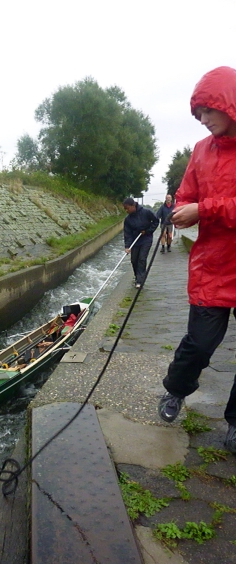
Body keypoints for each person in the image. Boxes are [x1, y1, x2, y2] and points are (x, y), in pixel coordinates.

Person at [157, 66, 236, 454]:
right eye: (198, 113)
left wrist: (203, 210)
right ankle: (175, 389)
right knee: (200, 345)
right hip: (213, 266)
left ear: (229, 105)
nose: (203, 120)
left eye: (208, 110)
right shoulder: (201, 151)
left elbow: (203, 206)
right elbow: (187, 193)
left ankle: (235, 421)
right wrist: (174, 207)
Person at [123, 197, 159, 288]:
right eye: (125, 209)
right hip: (135, 241)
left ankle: (140, 280)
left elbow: (155, 221)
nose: (126, 211)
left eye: (127, 208)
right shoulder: (128, 220)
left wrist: (147, 231)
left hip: (146, 239)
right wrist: (127, 246)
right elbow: (127, 234)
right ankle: (137, 277)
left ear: (133, 206)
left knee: (142, 259)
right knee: (134, 260)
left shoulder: (146, 212)